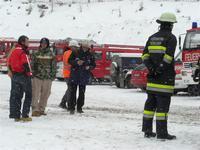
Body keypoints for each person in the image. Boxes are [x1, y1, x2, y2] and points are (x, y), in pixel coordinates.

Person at [141, 12, 177, 140]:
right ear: (171, 25)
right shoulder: (171, 38)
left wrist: (152, 68)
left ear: (160, 24)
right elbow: (168, 57)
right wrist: (160, 69)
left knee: (150, 106)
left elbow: (144, 56)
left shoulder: (151, 37)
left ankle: (147, 130)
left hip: (152, 78)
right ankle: (162, 133)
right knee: (162, 108)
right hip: (164, 79)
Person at [8, 35, 32, 122]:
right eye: (27, 42)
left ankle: (16, 116)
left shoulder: (14, 51)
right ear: (22, 42)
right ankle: (25, 115)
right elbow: (26, 64)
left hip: (15, 76)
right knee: (28, 95)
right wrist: (29, 74)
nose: (28, 43)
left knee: (16, 96)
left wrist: (12, 72)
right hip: (24, 76)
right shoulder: (23, 52)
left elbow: (9, 63)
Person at [67, 41, 96, 114]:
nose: (85, 48)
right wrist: (77, 63)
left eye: (86, 47)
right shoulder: (75, 52)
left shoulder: (90, 55)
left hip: (84, 76)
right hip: (75, 75)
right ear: (81, 46)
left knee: (82, 93)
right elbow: (69, 61)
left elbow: (94, 65)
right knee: (72, 92)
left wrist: (89, 67)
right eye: (84, 47)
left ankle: (79, 108)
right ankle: (71, 108)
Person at [31, 38, 57, 117]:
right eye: (42, 43)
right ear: (40, 44)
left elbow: (54, 66)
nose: (44, 44)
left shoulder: (51, 54)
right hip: (37, 77)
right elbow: (32, 64)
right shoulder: (36, 53)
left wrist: (52, 75)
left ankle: (41, 109)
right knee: (35, 93)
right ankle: (35, 110)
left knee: (46, 94)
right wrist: (33, 73)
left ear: (47, 44)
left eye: (45, 43)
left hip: (47, 77)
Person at [59, 44, 73, 109]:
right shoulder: (70, 53)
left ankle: (63, 102)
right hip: (69, 74)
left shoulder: (65, 53)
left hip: (66, 73)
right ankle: (64, 103)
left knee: (70, 89)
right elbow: (70, 64)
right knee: (70, 89)